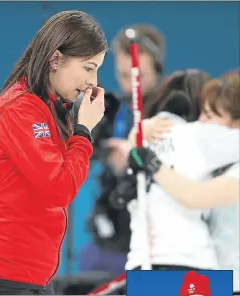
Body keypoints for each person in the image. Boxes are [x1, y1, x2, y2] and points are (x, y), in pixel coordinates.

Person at [0, 10, 108, 295]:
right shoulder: (21, 108)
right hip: (4, 276)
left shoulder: (47, 107)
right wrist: (83, 131)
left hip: (32, 276)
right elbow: (58, 189)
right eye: (89, 67)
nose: (94, 80)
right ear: (55, 59)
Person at [127, 73, 240, 293]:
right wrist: (141, 133)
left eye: (209, 115)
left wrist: (152, 163)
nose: (201, 123)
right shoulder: (210, 164)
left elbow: (195, 197)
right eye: (201, 115)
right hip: (214, 277)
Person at [80, 24, 166, 278]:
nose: (130, 85)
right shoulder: (114, 110)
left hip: (156, 244)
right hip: (110, 241)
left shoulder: (170, 111)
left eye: (137, 76)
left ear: (157, 69)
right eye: (122, 75)